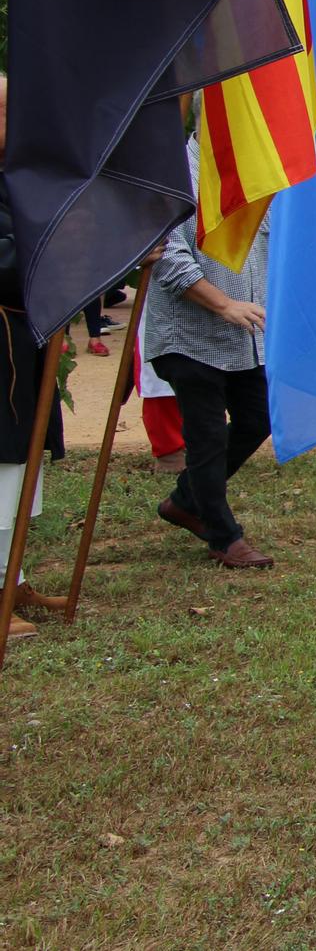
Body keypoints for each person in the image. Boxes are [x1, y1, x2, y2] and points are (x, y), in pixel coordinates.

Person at [148, 130, 276, 569]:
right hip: (187, 336)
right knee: (204, 438)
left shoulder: (251, 170)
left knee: (259, 417)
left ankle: (185, 501)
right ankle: (224, 537)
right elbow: (167, 256)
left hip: (243, 336)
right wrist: (223, 304)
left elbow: (269, 244)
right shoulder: (172, 170)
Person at [0, 80, 67, 641]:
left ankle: (13, 575)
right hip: (3, 339)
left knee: (24, 462)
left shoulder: (16, 179)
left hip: (23, 337)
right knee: (2, 466)